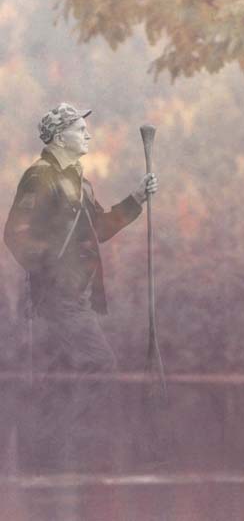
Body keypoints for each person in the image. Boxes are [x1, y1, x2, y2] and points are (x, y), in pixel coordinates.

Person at [4, 102, 158, 470]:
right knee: (99, 364)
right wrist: (50, 270)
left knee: (57, 375)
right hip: (56, 298)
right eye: (79, 129)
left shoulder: (80, 182)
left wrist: (136, 199)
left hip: (76, 297)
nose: (88, 135)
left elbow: (100, 228)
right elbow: (15, 234)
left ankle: (48, 457)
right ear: (59, 138)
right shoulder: (40, 176)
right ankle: (62, 443)